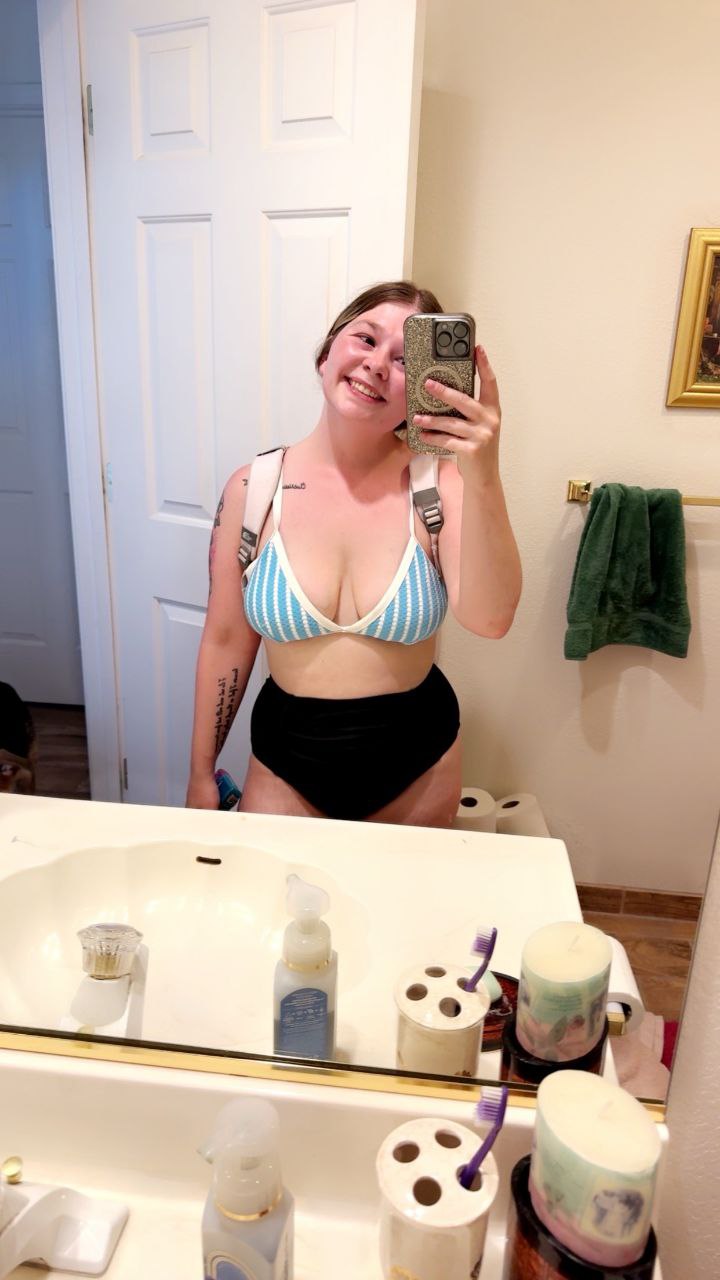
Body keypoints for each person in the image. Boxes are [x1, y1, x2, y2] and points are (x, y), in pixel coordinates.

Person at [186, 281, 521, 826]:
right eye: (365, 339)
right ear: (326, 354)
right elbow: (225, 641)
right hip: (284, 764)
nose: (377, 364)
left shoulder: (440, 487)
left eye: (404, 359)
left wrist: (484, 472)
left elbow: (491, 620)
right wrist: (201, 774)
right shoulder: (253, 491)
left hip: (419, 767)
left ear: (427, 386)